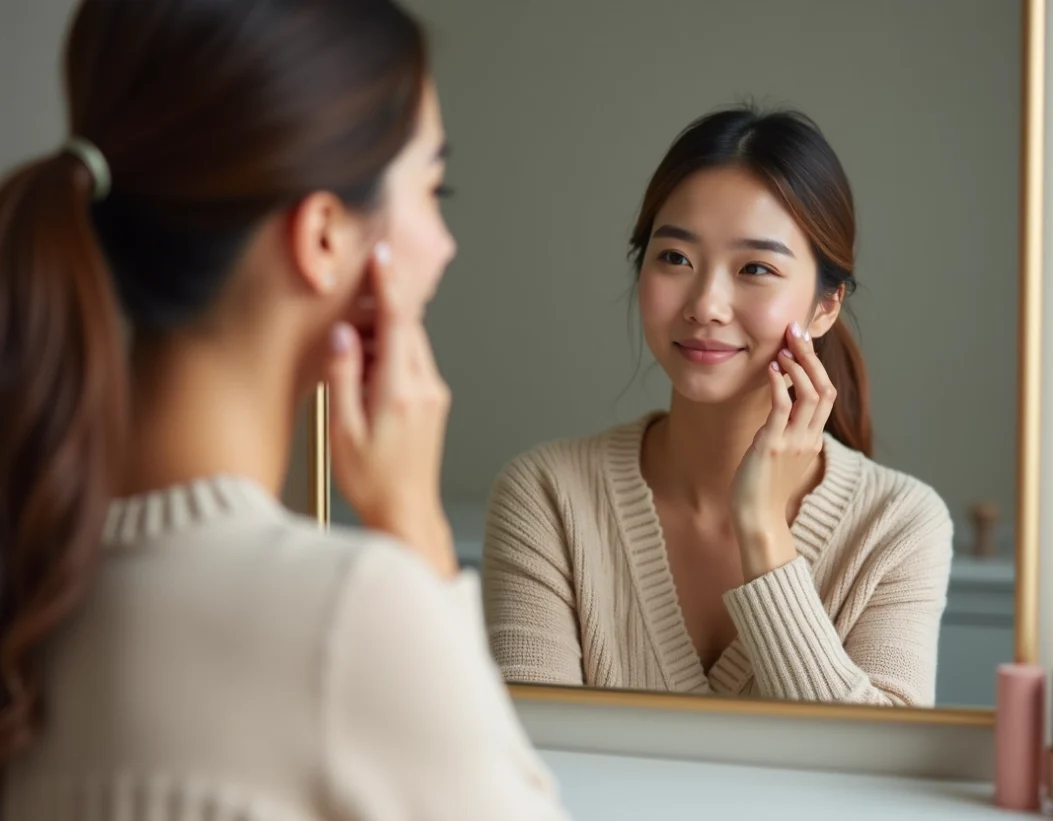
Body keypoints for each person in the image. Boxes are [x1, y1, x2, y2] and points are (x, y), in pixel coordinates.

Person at [0, 1, 569, 818]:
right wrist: (416, 529)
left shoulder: (34, 580)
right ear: (325, 236)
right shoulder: (353, 619)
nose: (444, 244)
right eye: (433, 189)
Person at [482, 107, 953, 707]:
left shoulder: (899, 524)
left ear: (825, 306)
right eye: (675, 258)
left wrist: (762, 530)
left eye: (756, 268)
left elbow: (877, 774)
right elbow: (530, 755)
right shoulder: (547, 495)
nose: (706, 304)